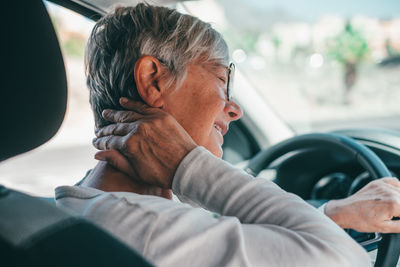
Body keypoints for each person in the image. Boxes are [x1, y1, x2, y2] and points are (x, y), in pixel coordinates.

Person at [55, 3, 397, 266]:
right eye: (222, 80)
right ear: (153, 80)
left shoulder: (83, 209)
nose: (235, 109)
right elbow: (341, 258)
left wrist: (331, 214)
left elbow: (226, 241)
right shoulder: (148, 232)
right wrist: (187, 165)